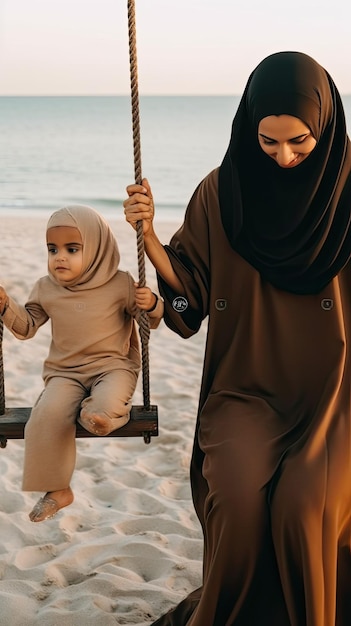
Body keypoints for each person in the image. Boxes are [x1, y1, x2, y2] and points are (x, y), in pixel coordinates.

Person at [123, 51, 351, 626]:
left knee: (305, 504)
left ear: (324, 126)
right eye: (268, 141)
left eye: (299, 141)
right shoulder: (224, 191)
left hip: (337, 393)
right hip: (246, 391)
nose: (283, 157)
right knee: (238, 494)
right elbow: (189, 296)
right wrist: (150, 240)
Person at [0, 204, 163, 523]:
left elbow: (151, 322)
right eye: (53, 249)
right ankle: (57, 489)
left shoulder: (121, 284)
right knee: (45, 416)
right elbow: (27, 327)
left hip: (113, 368)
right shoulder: (46, 288)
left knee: (101, 411)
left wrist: (152, 303)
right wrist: (6, 306)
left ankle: (103, 415)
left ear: (98, 248)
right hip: (65, 374)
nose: (60, 257)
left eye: (72, 249)